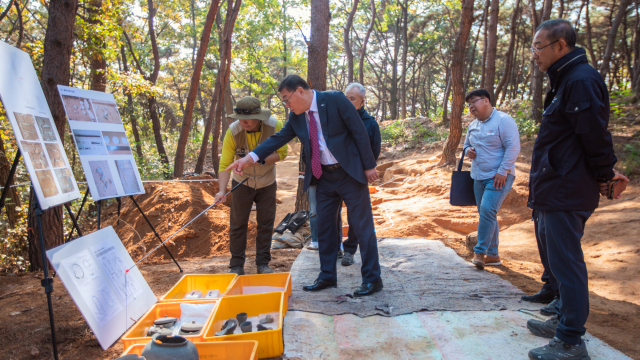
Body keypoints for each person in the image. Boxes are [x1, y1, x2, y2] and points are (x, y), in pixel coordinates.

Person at [524, 19, 629, 360]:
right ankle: (561, 320)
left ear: (561, 46)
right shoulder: (565, 80)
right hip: (556, 186)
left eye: (538, 48)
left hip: (567, 188)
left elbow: (594, 135)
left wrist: (604, 174)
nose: (533, 55)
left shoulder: (580, 81)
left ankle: (570, 340)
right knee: (558, 262)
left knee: (567, 264)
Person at [227, 75, 383, 297]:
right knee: (326, 228)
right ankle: (327, 276)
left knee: (362, 226)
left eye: (286, 99)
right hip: (324, 178)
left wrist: (369, 166)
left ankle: (372, 279)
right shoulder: (297, 117)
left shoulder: (335, 100)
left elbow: (358, 130)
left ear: (300, 91)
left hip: (349, 173)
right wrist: (248, 158)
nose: (286, 105)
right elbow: (277, 139)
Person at [215, 96, 288, 275]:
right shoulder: (233, 131)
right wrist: (221, 190)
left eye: (247, 118)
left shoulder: (274, 126)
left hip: (267, 181)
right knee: (238, 224)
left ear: (259, 117)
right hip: (241, 183)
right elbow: (225, 163)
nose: (243, 122)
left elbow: (282, 153)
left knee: (265, 223)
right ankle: (236, 265)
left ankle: (263, 263)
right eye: (239, 118)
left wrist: (255, 161)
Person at [463, 88, 520, 270]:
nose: (471, 107)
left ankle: (479, 252)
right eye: (469, 104)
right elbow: (465, 146)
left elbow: (513, 147)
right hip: (478, 176)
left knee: (487, 210)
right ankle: (493, 255)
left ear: (486, 100)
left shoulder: (503, 121)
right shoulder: (473, 125)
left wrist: (503, 171)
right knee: (487, 214)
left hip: (498, 177)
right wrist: (468, 151)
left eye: (475, 102)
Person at [340, 82, 381, 267]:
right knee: (331, 214)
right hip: (335, 174)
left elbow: (374, 151)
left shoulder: (370, 123)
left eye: (352, 99)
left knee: (355, 216)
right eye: (345, 98)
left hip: (356, 176)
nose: (347, 102)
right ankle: (334, 249)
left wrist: (365, 169)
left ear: (362, 102)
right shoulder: (337, 119)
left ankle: (349, 250)